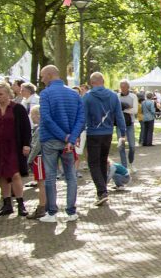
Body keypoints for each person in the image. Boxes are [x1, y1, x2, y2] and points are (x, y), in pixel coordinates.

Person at [37, 65, 85, 223]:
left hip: (51, 140)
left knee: (50, 177)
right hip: (68, 143)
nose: (42, 79)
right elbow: (81, 119)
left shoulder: (45, 94)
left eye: (43, 76)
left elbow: (46, 118)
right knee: (70, 176)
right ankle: (71, 211)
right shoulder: (74, 94)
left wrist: (64, 137)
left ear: (50, 75)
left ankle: (52, 212)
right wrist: (71, 139)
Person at [0, 81, 32, 217]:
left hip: (13, 145)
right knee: (1, 174)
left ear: (8, 93)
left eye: (1, 94)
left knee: (15, 173)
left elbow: (26, 127)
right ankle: (7, 204)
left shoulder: (18, 108)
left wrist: (26, 144)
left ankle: (21, 204)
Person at [82, 72, 127, 206]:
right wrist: (123, 132)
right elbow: (119, 115)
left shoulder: (87, 97)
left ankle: (102, 192)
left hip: (93, 133)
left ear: (91, 83)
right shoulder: (113, 96)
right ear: (103, 81)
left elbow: (82, 117)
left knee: (93, 163)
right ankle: (102, 191)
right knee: (102, 161)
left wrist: (77, 134)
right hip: (108, 133)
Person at [26, 105, 46, 219]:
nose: (31, 118)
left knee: (41, 183)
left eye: (32, 115)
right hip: (45, 157)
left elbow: (36, 146)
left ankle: (42, 206)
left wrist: (29, 159)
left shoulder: (40, 129)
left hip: (38, 158)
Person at [118, 80, 138, 172]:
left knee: (132, 146)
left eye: (124, 87)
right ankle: (124, 166)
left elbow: (135, 111)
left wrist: (123, 109)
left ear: (128, 87)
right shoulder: (117, 96)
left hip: (130, 123)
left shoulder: (133, 96)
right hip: (119, 124)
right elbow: (116, 110)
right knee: (121, 146)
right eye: (121, 87)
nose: (122, 89)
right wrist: (127, 107)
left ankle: (131, 163)